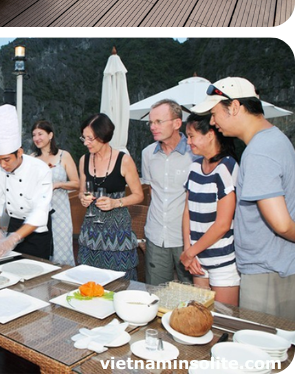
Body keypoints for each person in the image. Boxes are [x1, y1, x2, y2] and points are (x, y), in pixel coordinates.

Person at [191, 77, 294, 319]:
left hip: (268, 271)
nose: (213, 122)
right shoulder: (275, 138)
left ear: (235, 107)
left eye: (215, 113)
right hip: (277, 264)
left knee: (261, 348)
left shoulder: (258, 152)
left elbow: (280, 223)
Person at [180, 113, 240, 306]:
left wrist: (190, 253)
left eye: (191, 136)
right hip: (197, 259)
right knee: (199, 316)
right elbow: (187, 211)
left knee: (224, 319)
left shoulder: (227, 167)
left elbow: (222, 224)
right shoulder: (194, 167)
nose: (188, 142)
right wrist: (188, 249)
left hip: (221, 260)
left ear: (210, 135)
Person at [0, 106, 54, 260]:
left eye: (7, 159)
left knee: (37, 274)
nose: (2, 165)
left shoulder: (40, 169)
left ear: (19, 152)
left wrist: (14, 239)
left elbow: (40, 212)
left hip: (36, 231)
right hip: (14, 224)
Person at [77, 113, 144, 280]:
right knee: (90, 280)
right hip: (91, 230)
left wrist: (116, 203)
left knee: (120, 280)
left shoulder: (124, 160)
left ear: (104, 136)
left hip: (117, 231)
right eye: (84, 138)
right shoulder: (84, 160)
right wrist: (83, 197)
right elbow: (81, 190)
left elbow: (138, 195)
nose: (86, 143)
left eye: (90, 139)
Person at [140, 99, 194, 285]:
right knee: (157, 294)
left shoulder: (195, 153)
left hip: (187, 239)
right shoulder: (147, 154)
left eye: (158, 122)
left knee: (192, 295)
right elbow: (150, 192)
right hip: (156, 237)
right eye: (151, 123)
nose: (152, 127)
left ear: (177, 123)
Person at [30, 120, 78, 266]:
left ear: (50, 135)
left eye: (40, 134)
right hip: (39, 211)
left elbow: (77, 183)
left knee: (61, 250)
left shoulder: (64, 156)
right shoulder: (31, 158)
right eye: (34, 135)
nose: (36, 138)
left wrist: (57, 184)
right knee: (40, 250)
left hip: (60, 211)